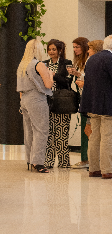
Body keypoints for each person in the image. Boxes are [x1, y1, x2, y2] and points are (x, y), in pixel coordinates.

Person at [79, 35, 112, 179]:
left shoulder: (92, 59)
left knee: (95, 137)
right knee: (109, 138)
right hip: (110, 106)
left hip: (94, 105)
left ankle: (94, 169)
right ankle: (108, 170)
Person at [17, 38, 54, 173]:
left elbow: (19, 87)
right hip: (36, 99)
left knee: (29, 130)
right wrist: (50, 74)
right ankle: (38, 162)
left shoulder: (22, 64)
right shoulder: (38, 64)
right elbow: (48, 85)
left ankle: (30, 160)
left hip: (24, 98)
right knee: (41, 130)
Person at [43, 39, 74, 169]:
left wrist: (54, 75)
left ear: (60, 50)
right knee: (49, 132)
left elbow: (67, 81)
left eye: (54, 49)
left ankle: (64, 162)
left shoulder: (67, 63)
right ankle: (48, 161)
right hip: (47, 100)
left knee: (62, 133)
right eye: (49, 49)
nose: (51, 52)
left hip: (62, 100)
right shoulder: (44, 64)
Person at [68, 37, 90, 169]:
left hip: (88, 98)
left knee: (88, 130)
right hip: (82, 98)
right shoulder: (78, 61)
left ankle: (87, 159)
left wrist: (78, 75)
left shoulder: (89, 60)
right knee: (83, 129)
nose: (75, 50)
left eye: (77, 47)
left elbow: (92, 80)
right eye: (74, 47)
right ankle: (84, 158)